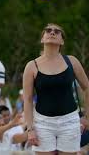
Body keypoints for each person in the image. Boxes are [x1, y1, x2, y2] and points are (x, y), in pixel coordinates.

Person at [23, 23, 89, 154]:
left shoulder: (72, 61)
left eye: (57, 31)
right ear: (42, 39)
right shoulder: (31, 66)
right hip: (43, 122)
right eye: (48, 30)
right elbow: (28, 99)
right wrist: (30, 129)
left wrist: (87, 117)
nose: (52, 32)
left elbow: (87, 88)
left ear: (62, 41)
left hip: (69, 121)